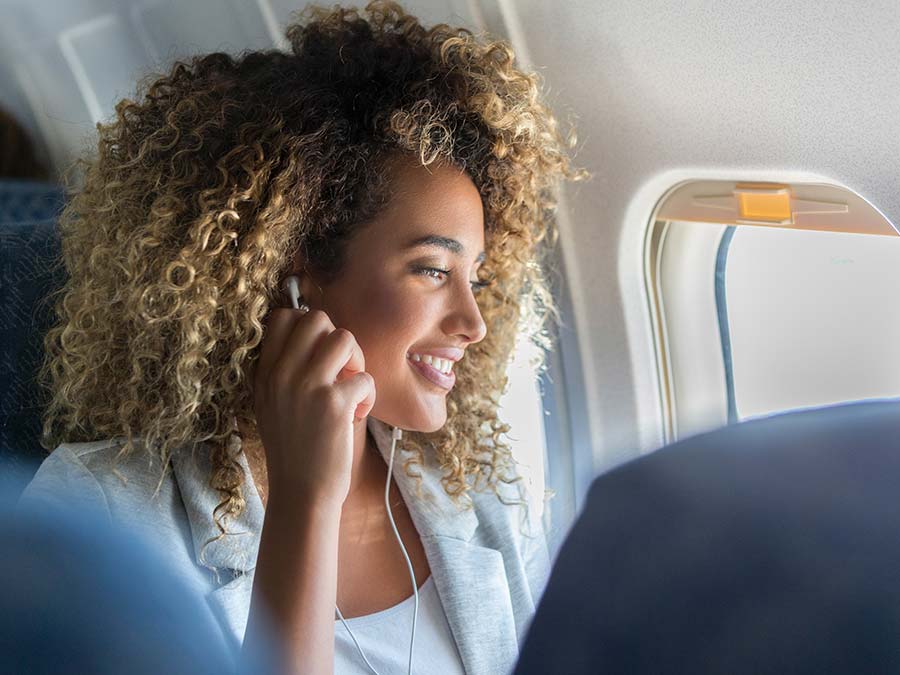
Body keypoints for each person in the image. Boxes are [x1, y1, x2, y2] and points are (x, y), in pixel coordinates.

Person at [18, 2, 587, 673]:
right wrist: (305, 499)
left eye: (476, 275)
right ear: (297, 270)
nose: (474, 321)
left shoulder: (478, 492)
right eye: (433, 269)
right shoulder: (98, 512)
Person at [514, 399, 900, 674]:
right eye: (447, 278)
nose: (476, 325)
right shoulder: (656, 506)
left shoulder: (502, 506)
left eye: (481, 287)